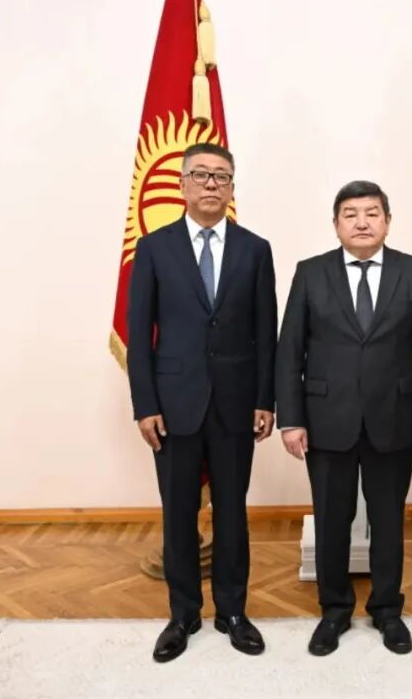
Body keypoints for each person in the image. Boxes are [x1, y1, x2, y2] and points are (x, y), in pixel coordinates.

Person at [275, 180, 412, 656]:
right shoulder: (310, 273)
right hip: (325, 418)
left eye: (372, 213)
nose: (362, 222)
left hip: (395, 416)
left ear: (387, 221)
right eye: (350, 214)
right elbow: (289, 351)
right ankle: (334, 610)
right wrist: (291, 419)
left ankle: (387, 609)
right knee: (332, 518)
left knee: (388, 519)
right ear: (336, 225)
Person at [127, 142, 277, 662]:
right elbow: (139, 334)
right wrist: (144, 404)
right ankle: (183, 614)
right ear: (182, 184)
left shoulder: (255, 249)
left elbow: (266, 331)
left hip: (236, 404)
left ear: (232, 187)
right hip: (173, 405)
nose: (212, 184)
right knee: (178, 513)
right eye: (202, 175)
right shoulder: (154, 248)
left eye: (222, 176)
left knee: (232, 511)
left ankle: (233, 612)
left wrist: (265, 398)